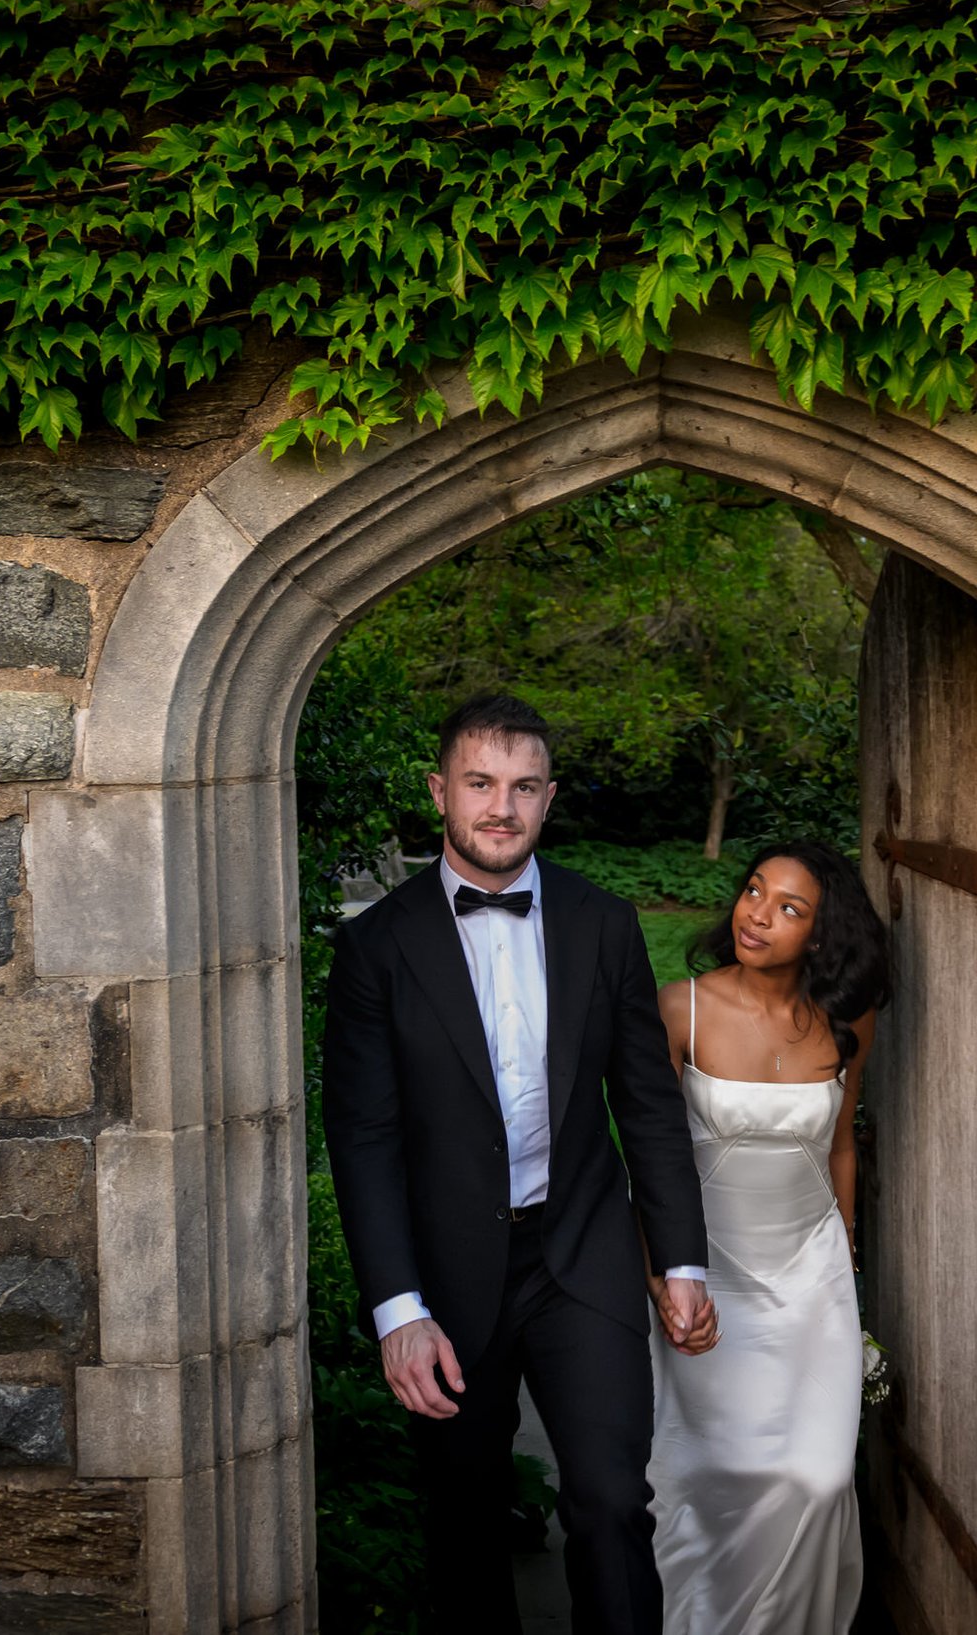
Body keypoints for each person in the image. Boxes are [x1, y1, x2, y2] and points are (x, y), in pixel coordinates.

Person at [321, 693, 715, 1634]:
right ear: (440, 791)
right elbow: (363, 1137)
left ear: (549, 797)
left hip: (581, 1250)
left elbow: (648, 1106)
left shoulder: (604, 922)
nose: (502, 807)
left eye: (524, 786)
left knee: (613, 1501)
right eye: (481, 783)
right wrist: (398, 1312)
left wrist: (681, 1259)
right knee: (464, 1518)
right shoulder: (376, 946)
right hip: (447, 1273)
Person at [645, 840, 892, 1635]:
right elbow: (649, 1157)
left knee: (820, 1478)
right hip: (709, 1272)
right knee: (712, 1475)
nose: (757, 914)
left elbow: (841, 1145)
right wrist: (661, 1275)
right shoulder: (679, 1008)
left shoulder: (849, 1021)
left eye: (789, 907)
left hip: (812, 1275)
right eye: (754, 890)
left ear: (821, 932)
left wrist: (846, 1262)